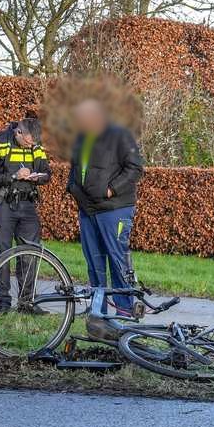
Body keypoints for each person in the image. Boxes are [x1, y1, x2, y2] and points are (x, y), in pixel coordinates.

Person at [66, 98, 144, 315]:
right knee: (94, 262)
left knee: (117, 260)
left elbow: (135, 168)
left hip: (114, 209)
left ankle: (125, 311)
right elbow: (76, 167)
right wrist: (72, 187)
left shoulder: (120, 134)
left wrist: (110, 189)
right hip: (87, 210)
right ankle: (98, 310)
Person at [0, 117, 50, 313]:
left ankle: (27, 303)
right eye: (28, 142)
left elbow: (46, 173)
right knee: (3, 252)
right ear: (18, 132)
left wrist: (38, 176)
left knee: (29, 253)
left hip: (27, 204)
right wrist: (12, 177)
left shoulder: (35, 144)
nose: (31, 146)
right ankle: (1, 303)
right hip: (3, 205)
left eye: (34, 143)